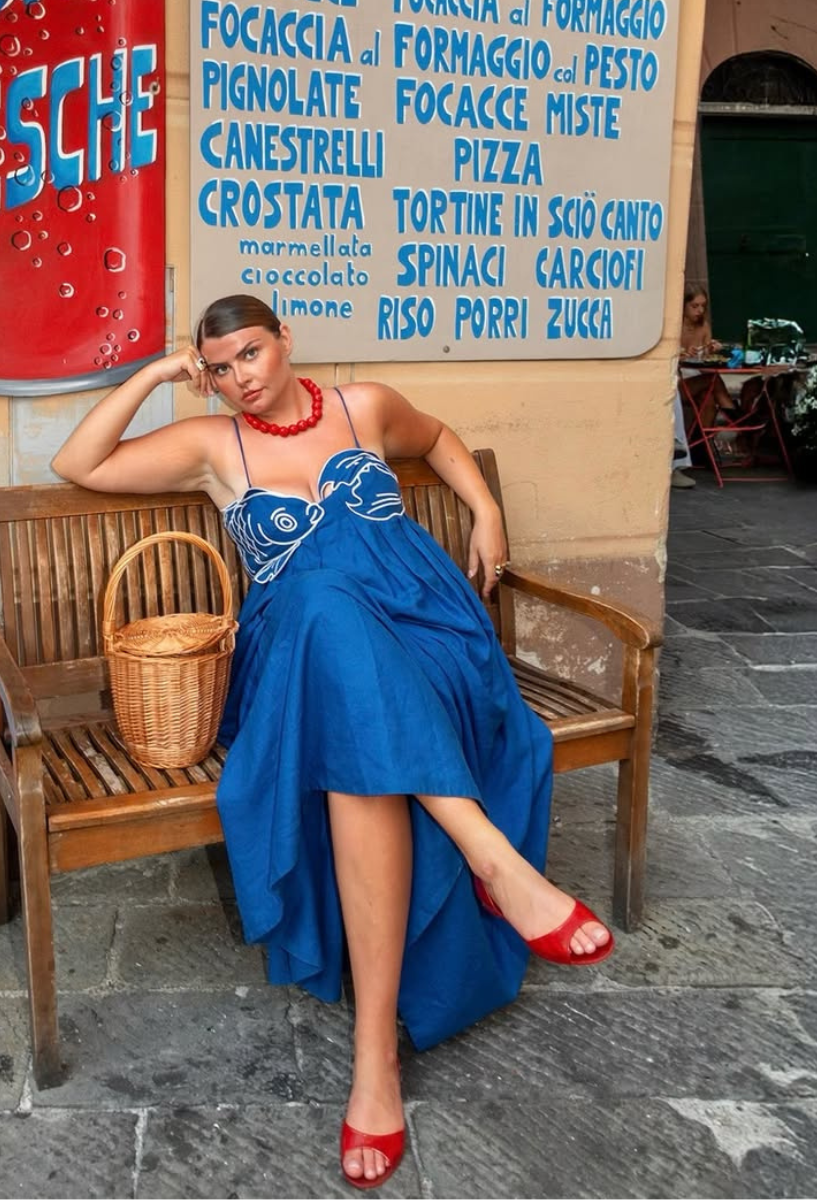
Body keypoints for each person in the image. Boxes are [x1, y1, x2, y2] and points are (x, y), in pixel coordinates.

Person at [52, 294, 614, 1190]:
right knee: (321, 611)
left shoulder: (366, 405)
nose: (241, 378)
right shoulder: (210, 446)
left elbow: (436, 439)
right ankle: (494, 862)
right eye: (222, 365)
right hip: (298, 648)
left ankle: (373, 1067)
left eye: (252, 353)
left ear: (286, 342)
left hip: (426, 631)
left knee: (357, 754)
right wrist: (158, 375)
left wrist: (484, 512)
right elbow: (77, 462)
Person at [680, 285, 739, 431]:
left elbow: (705, 360)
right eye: (695, 306)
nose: (700, 311)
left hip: (697, 379)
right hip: (677, 384)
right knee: (713, 379)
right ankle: (736, 417)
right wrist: (681, 353)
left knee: (709, 402)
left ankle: (701, 445)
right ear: (683, 306)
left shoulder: (703, 326)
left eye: (703, 306)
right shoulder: (673, 328)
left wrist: (712, 349)